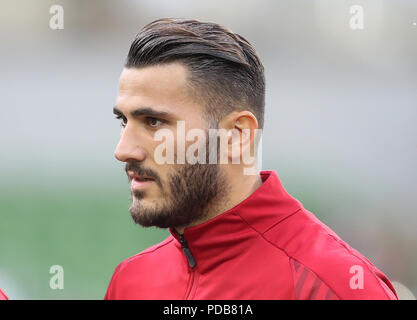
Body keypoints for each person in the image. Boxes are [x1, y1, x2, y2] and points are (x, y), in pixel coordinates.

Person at [104, 18, 397, 300]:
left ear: (236, 135)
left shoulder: (335, 286)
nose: (123, 150)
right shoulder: (130, 281)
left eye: (153, 122)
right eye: (123, 122)